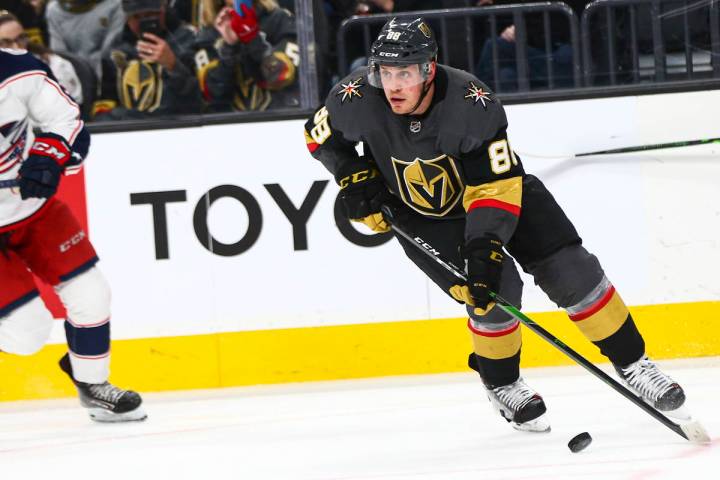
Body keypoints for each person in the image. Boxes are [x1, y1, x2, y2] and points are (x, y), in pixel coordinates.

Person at [303, 17, 687, 432]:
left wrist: (484, 244)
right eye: (386, 72)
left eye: (405, 73)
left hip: (503, 192)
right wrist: (353, 173)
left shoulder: (471, 103)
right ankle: (503, 384)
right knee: (493, 292)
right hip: (426, 215)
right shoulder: (355, 96)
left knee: (571, 270)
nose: (393, 85)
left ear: (429, 70)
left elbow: (495, 187)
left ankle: (634, 363)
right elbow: (317, 136)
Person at [0, 49, 146, 422]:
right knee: (28, 332)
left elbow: (67, 119)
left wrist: (48, 156)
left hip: (34, 211)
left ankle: (93, 384)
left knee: (92, 294)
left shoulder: (20, 68)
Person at [92, 0, 201, 120]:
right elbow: (106, 103)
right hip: (128, 129)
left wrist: (173, 66)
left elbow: (200, 103)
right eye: (136, 16)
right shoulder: (114, 50)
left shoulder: (189, 40)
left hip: (177, 126)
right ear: (126, 18)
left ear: (163, 9)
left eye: (151, 14)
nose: (143, 22)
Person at [193, 0, 300, 112]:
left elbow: (284, 76)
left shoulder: (280, 19)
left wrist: (253, 39)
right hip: (226, 124)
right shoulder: (207, 35)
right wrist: (229, 48)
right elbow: (211, 95)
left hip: (280, 118)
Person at [45, 0, 126, 79]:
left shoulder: (115, 5)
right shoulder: (54, 9)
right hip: (69, 77)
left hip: (105, 78)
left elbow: (108, 52)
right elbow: (59, 53)